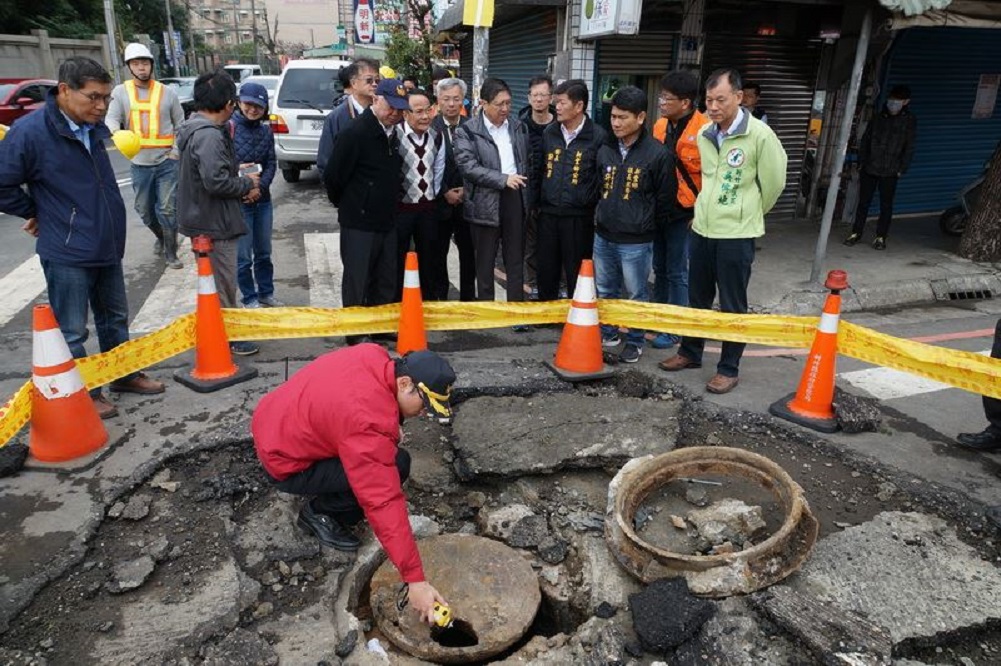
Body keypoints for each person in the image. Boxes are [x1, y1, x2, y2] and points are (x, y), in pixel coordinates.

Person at [0, 56, 166, 418]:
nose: (102, 105)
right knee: (73, 329)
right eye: (93, 97)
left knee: (114, 318)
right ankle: (84, 391)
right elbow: (2, 182)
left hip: (105, 241)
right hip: (67, 249)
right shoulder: (30, 133)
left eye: (105, 97)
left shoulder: (93, 127)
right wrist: (34, 211)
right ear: (64, 91)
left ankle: (123, 375)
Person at [252, 344, 455, 623]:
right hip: (284, 462)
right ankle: (321, 513)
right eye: (424, 404)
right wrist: (415, 580)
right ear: (405, 382)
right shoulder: (366, 421)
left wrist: (389, 423)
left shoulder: (373, 354)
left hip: (275, 422)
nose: (423, 413)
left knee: (385, 455)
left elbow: (353, 405)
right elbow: (382, 500)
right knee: (396, 466)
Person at [659, 68, 787, 394]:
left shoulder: (759, 135)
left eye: (720, 100)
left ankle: (728, 368)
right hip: (702, 229)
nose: (713, 107)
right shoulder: (705, 135)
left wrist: (750, 212)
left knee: (732, 303)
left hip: (737, 234)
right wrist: (702, 211)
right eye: (708, 100)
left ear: (739, 98)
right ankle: (690, 352)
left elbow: (774, 183)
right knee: (697, 297)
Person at [176, 70, 261, 356]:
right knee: (224, 281)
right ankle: (228, 335)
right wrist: (246, 183)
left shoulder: (194, 129)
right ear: (228, 103)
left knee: (214, 279)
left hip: (205, 217)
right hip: (214, 221)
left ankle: (220, 330)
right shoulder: (209, 136)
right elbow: (216, 181)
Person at [594, 85, 676, 364]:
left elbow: (665, 200)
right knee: (605, 289)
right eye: (613, 117)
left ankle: (636, 340)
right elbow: (598, 187)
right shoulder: (605, 148)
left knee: (637, 293)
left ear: (640, 118)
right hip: (603, 234)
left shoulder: (658, 154)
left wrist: (646, 226)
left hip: (637, 240)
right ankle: (609, 332)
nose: (615, 123)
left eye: (622, 118)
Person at [324, 79, 409, 344]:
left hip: (387, 218)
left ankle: (381, 325)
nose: (395, 113)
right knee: (357, 279)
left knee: (385, 278)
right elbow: (334, 177)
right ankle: (355, 332)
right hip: (359, 221)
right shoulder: (355, 133)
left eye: (400, 109)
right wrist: (352, 205)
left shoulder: (393, 133)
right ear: (376, 100)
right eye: (391, 107)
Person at [453, 77, 532, 309]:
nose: (505, 109)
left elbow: (527, 161)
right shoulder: (467, 131)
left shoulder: (519, 127)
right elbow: (468, 167)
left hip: (515, 197)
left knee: (515, 258)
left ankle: (516, 309)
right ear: (484, 103)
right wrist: (502, 179)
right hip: (484, 201)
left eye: (508, 103)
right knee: (485, 261)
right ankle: (487, 310)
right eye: (499, 104)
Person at [106, 43, 185, 269]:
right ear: (130, 67)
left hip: (166, 161)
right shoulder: (120, 92)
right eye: (136, 64)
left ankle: (171, 252)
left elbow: (181, 124)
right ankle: (161, 237)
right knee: (144, 210)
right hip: (139, 163)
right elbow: (111, 119)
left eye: (145, 63)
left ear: (151, 65)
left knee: (168, 208)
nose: (141, 68)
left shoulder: (167, 92)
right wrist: (116, 133)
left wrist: (175, 152)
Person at [650, 70, 710, 350]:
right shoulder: (660, 126)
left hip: (685, 214)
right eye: (661, 97)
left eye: (666, 98)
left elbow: (712, 177)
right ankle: (658, 317)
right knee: (659, 268)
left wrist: (699, 214)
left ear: (685, 103)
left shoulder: (706, 131)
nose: (661, 102)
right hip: (660, 210)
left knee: (677, 271)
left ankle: (675, 328)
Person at [536, 78, 606, 302]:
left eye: (562, 102)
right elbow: (539, 168)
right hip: (548, 212)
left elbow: (601, 177)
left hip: (578, 216)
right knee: (546, 266)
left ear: (579, 106)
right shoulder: (550, 132)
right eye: (556, 102)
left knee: (576, 268)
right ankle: (547, 312)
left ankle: (577, 313)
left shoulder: (598, 136)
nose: (557, 107)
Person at [844, 85, 917, 251]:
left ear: (906, 102)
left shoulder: (909, 121)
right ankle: (856, 233)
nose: (893, 104)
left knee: (886, 205)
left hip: (891, 170)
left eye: (898, 101)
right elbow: (865, 141)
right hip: (870, 167)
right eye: (892, 100)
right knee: (863, 203)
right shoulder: (878, 118)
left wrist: (901, 168)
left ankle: (881, 236)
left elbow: (909, 147)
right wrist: (862, 162)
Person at [231, 81, 280, 309]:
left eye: (258, 106)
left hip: (262, 200)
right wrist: (245, 187)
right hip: (239, 202)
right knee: (243, 257)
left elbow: (271, 163)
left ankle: (266, 293)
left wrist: (260, 188)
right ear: (239, 103)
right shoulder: (228, 129)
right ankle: (249, 298)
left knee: (263, 253)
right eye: (248, 104)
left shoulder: (265, 131)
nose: (252, 110)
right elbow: (223, 166)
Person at [394, 88, 445, 300]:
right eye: (418, 111)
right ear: (406, 113)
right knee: (397, 257)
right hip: (400, 210)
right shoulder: (394, 135)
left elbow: (439, 171)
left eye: (428, 110)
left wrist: (431, 196)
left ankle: (428, 301)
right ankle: (398, 301)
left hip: (428, 210)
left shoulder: (437, 137)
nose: (425, 116)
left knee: (429, 257)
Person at [432, 77, 473, 301]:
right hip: (440, 200)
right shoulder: (430, 127)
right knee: (438, 253)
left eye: (456, 99)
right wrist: (445, 191)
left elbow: (479, 163)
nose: (451, 104)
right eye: (446, 99)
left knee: (469, 253)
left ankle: (468, 297)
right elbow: (427, 166)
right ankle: (440, 297)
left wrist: (466, 190)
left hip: (468, 201)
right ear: (438, 101)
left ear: (463, 101)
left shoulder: (473, 128)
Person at [518, 74, 555, 298]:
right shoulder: (519, 126)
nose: (539, 99)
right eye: (535, 95)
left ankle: (557, 285)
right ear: (529, 97)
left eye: (543, 95)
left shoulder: (561, 126)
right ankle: (532, 284)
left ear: (551, 97)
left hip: (554, 197)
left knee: (554, 244)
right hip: (528, 195)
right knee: (530, 244)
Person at [317, 57, 380, 177]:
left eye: (377, 80)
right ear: (354, 83)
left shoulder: (383, 113)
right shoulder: (337, 117)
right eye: (369, 80)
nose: (374, 84)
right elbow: (325, 161)